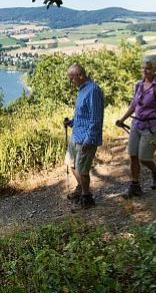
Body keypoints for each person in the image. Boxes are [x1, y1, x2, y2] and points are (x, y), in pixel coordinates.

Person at [115, 54, 156, 198]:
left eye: (148, 68)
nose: (145, 71)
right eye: (143, 68)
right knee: (133, 155)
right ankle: (135, 185)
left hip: (151, 126)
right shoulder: (138, 85)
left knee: (144, 157)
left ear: (155, 69)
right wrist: (122, 119)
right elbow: (133, 105)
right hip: (136, 124)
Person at [64, 64, 104, 210]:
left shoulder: (93, 90)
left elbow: (95, 118)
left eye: (71, 78)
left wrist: (89, 139)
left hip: (86, 138)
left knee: (82, 170)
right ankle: (81, 189)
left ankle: (87, 198)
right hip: (76, 135)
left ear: (80, 75)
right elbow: (82, 115)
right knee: (72, 164)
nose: (71, 82)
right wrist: (71, 122)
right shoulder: (82, 90)